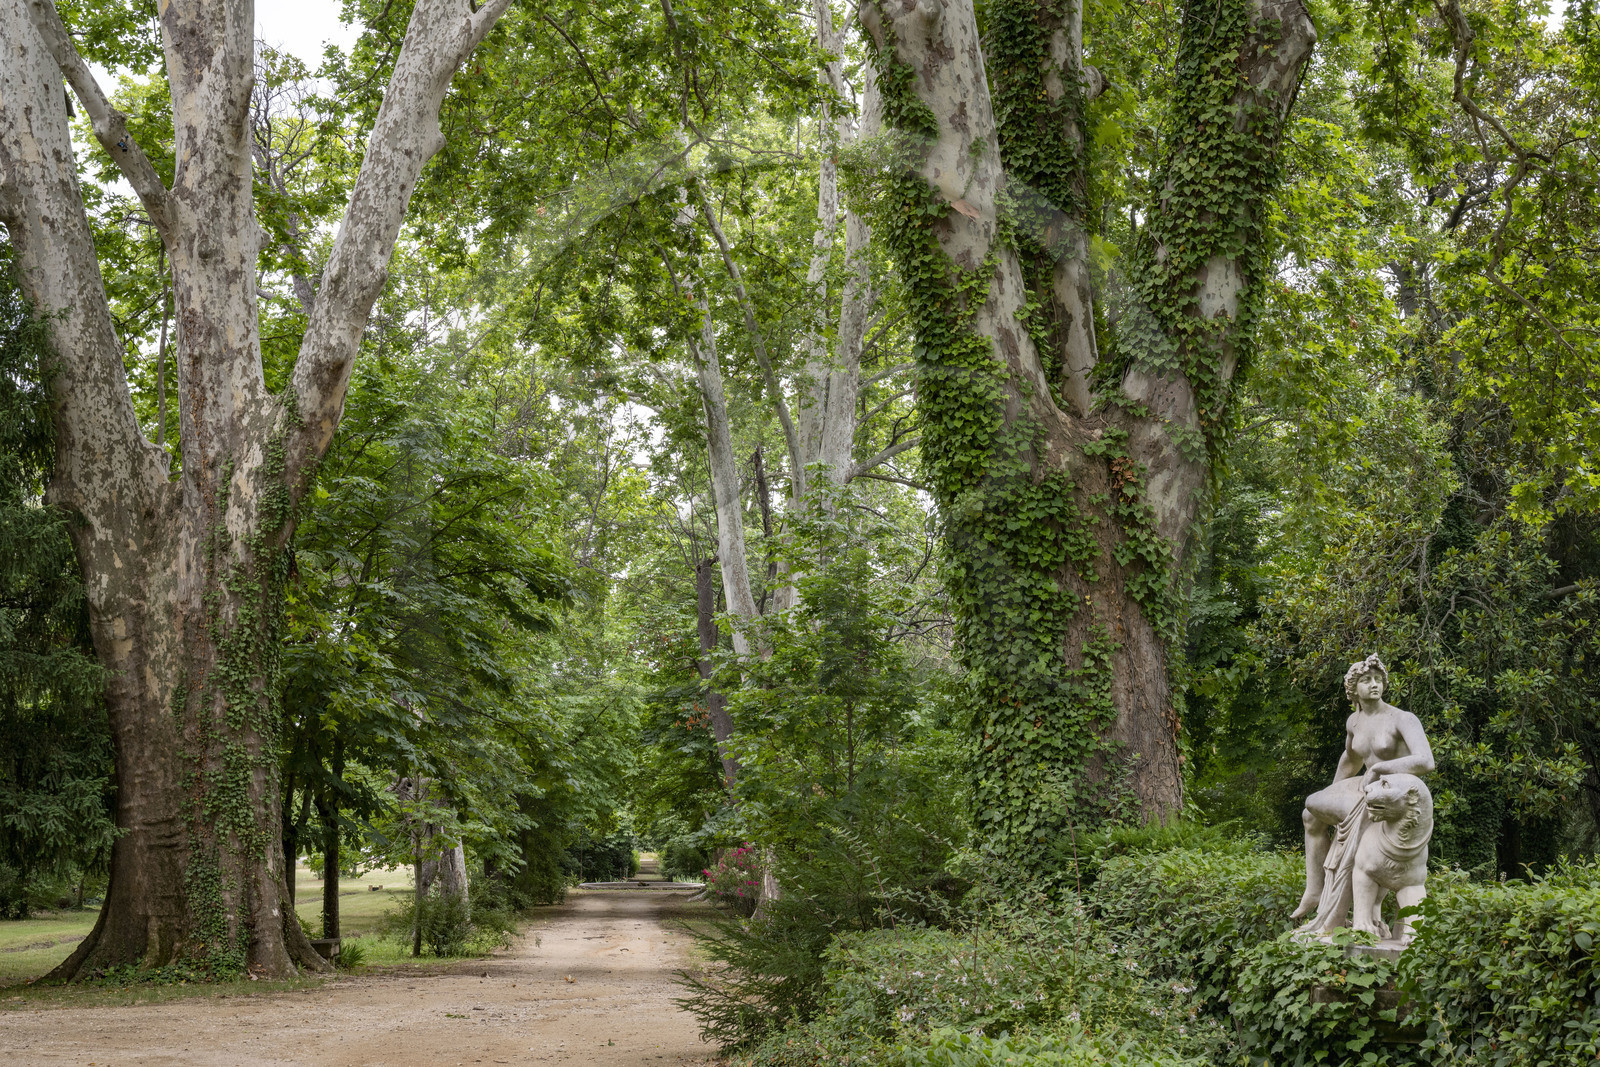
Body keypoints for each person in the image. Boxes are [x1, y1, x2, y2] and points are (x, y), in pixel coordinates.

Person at [1290, 654, 1435, 922]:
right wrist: (1332, 793)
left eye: (1378, 680)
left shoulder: (1402, 718)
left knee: (1312, 806)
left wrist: (1381, 769)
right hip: (1367, 783)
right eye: (1366, 680)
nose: (1374, 685)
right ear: (1353, 688)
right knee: (1311, 812)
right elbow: (1351, 758)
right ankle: (1313, 889)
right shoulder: (1354, 722)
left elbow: (1426, 761)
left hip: (1395, 788)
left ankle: (1337, 904)